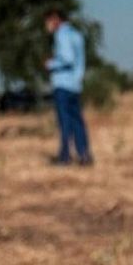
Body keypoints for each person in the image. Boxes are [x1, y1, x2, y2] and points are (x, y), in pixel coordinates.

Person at [43, 9, 92, 166]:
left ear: (55, 19)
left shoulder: (61, 35)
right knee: (77, 120)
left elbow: (68, 59)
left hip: (63, 84)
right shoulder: (76, 34)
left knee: (64, 121)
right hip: (75, 85)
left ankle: (65, 157)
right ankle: (84, 154)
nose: (47, 25)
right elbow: (79, 61)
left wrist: (51, 64)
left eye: (48, 21)